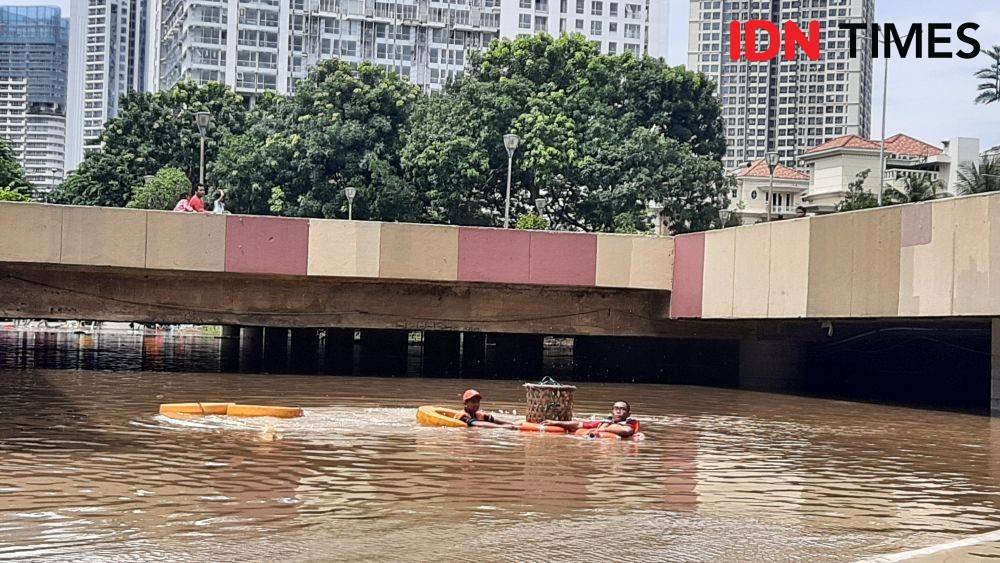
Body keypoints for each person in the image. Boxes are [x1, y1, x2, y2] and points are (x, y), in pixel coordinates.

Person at [542, 401, 638, 438]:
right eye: (616, 408)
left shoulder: (630, 423)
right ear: (612, 411)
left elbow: (627, 431)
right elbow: (579, 425)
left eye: (622, 409)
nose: (618, 411)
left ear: (628, 414)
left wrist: (602, 430)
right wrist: (555, 422)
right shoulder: (604, 422)